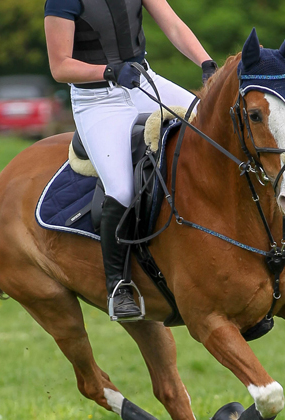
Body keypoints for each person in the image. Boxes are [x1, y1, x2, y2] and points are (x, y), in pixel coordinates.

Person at [44, 0, 216, 320]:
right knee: (121, 190)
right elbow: (60, 66)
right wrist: (108, 71)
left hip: (142, 82)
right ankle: (118, 286)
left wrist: (206, 63)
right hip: (96, 100)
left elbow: (174, 25)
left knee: (213, 135)